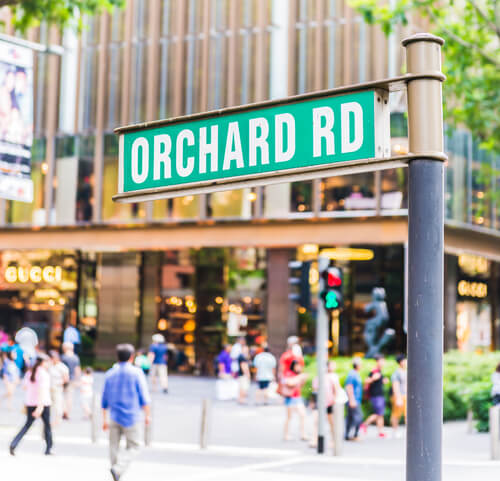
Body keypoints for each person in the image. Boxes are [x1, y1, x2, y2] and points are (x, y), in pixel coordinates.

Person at [102, 344, 151, 481]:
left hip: (114, 415)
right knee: (135, 445)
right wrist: (147, 415)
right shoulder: (137, 373)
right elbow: (144, 397)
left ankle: (116, 470)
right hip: (132, 416)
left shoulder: (110, 373)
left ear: (117, 357)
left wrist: (104, 419)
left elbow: (104, 400)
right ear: (131, 357)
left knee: (113, 446)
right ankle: (118, 468)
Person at [10, 353, 53, 456]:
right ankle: (48, 448)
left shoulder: (30, 372)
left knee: (27, 425)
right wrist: (40, 407)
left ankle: (14, 443)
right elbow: (42, 390)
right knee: (47, 426)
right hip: (43, 403)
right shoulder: (44, 374)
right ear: (43, 362)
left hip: (30, 402)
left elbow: (24, 387)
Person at [310, 360, 343, 447]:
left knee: (331, 423)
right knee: (317, 422)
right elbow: (314, 391)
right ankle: (314, 440)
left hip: (330, 403)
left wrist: (334, 400)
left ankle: (333, 440)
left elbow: (337, 389)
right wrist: (313, 403)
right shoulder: (318, 378)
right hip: (320, 403)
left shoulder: (333, 377)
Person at [361, 354, 388, 438]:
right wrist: (373, 378)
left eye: (384, 360)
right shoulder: (374, 371)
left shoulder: (379, 371)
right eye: (381, 361)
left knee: (380, 414)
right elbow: (366, 381)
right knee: (378, 413)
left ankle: (380, 432)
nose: (383, 362)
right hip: (376, 395)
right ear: (377, 361)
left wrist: (383, 380)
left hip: (379, 394)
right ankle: (364, 424)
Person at [282, 359, 308, 441]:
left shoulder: (298, 374)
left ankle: (303, 433)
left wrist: (303, 379)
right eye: (297, 366)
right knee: (289, 417)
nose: (299, 367)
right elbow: (289, 383)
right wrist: (300, 377)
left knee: (303, 415)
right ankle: (286, 434)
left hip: (297, 397)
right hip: (290, 398)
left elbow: (300, 386)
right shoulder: (288, 373)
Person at [344, 357, 364, 441]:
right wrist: (352, 400)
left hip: (356, 399)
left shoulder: (355, 373)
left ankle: (347, 435)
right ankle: (355, 434)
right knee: (359, 417)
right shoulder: (352, 374)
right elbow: (349, 387)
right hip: (354, 400)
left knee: (350, 417)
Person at [48, 350, 69, 426]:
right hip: (49, 388)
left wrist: (59, 383)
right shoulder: (49, 365)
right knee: (48, 405)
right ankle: (49, 420)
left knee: (58, 405)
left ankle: (57, 420)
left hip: (57, 388)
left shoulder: (62, 367)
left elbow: (66, 379)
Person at [61, 341, 81, 419]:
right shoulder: (76, 357)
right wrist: (78, 380)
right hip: (72, 379)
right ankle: (67, 412)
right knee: (69, 396)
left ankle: (63, 410)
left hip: (63, 379)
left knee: (62, 395)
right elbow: (77, 369)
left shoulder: (63, 357)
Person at [391, 354, 407, 438]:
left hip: (406, 396)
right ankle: (395, 431)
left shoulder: (406, 371)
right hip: (400, 396)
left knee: (407, 415)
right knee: (396, 414)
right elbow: (395, 386)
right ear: (400, 362)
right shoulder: (397, 373)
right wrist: (398, 398)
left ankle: (408, 431)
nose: (406, 362)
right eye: (404, 360)